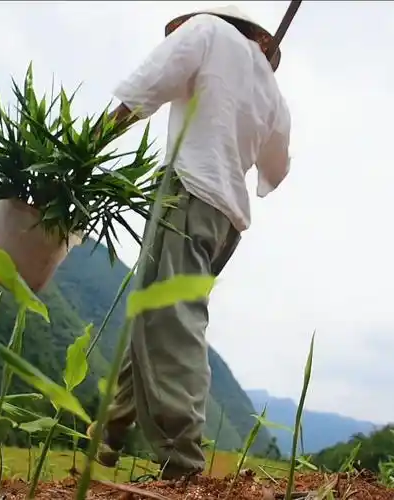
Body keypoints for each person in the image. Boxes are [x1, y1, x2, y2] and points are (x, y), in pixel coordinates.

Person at [87, 5, 292, 481]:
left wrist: (88, 146)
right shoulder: (271, 89)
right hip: (227, 221)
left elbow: (144, 91)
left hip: (187, 194)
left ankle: (182, 464)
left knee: (170, 324)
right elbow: (275, 170)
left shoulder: (206, 32)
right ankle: (110, 436)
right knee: (153, 315)